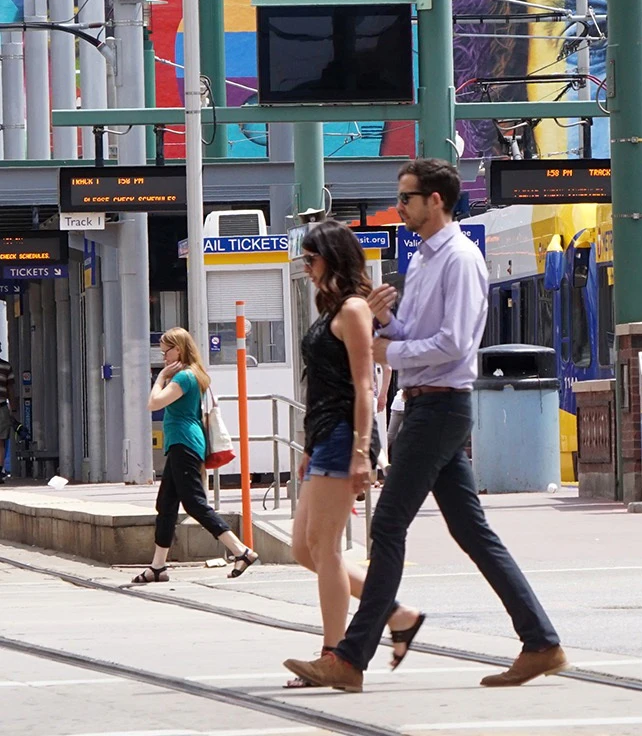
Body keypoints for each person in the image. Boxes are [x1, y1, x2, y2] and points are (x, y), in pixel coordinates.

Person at [284, 159, 564, 692]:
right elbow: (421, 333)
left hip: (441, 405)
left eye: (407, 198)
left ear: (436, 200)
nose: (400, 207)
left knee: (388, 526)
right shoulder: (425, 259)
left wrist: (388, 349)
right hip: (426, 404)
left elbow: (456, 344)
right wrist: (389, 321)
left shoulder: (459, 259)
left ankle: (350, 658)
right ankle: (541, 642)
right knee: (472, 532)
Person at [284, 220, 425, 687]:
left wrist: (362, 452)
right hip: (325, 437)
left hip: (346, 437)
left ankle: (335, 655)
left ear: (334, 259)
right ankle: (396, 614)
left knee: (324, 547)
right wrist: (309, 446)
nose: (307, 268)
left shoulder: (353, 310)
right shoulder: (332, 309)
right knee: (304, 548)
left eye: (312, 259)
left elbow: (365, 388)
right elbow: (323, 386)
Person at [133, 328, 258, 583]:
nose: (164, 357)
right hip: (181, 443)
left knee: (194, 503)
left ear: (179, 350)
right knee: (166, 505)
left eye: (166, 352)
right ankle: (158, 566)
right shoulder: (194, 374)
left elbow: (154, 403)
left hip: (184, 443)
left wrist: (160, 378)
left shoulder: (185, 376)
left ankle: (240, 551)